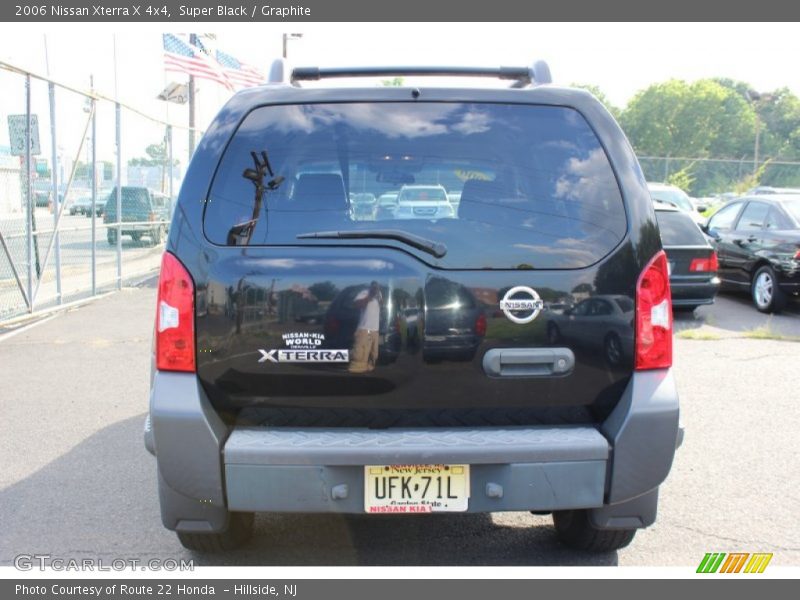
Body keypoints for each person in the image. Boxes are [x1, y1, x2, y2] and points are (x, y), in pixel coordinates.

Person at [348, 281, 382, 373]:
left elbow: (380, 305)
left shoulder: (379, 294)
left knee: (374, 355)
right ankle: (356, 375)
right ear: (371, 286)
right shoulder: (364, 293)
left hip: (375, 330)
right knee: (359, 357)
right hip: (365, 329)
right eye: (374, 286)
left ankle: (368, 374)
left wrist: (379, 298)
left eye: (377, 286)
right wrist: (370, 295)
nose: (376, 288)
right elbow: (357, 305)